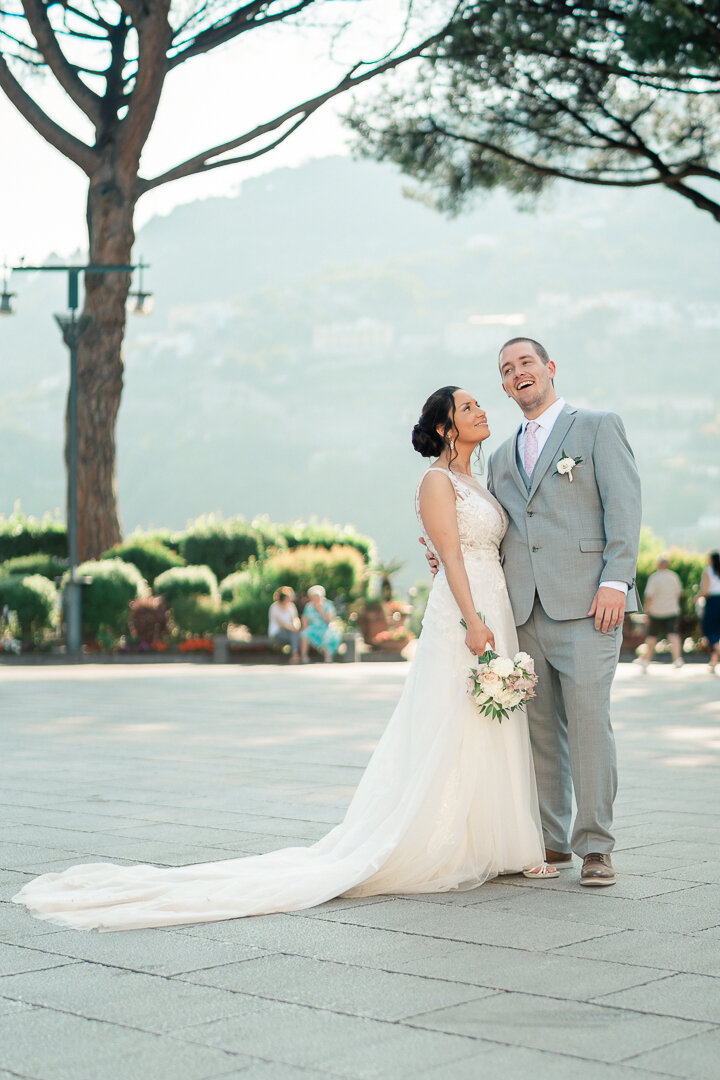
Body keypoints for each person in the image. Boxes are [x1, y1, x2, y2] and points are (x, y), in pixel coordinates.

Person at [12, 386, 554, 933]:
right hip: (465, 611)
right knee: (453, 718)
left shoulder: (476, 480)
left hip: (493, 600)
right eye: (468, 408)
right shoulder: (436, 481)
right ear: (444, 427)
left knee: (491, 716)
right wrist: (473, 620)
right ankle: (452, 843)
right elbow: (451, 554)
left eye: (479, 404)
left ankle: (502, 841)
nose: (481, 411)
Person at [486, 339, 642, 887]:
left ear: (549, 369)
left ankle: (596, 846)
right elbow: (498, 527)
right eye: (507, 370)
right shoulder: (500, 456)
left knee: (590, 725)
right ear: (505, 386)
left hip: (589, 606)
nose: (518, 373)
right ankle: (552, 840)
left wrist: (616, 581)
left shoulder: (597, 426)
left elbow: (624, 505)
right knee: (540, 733)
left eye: (526, 363)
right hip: (523, 609)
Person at [640, 555, 684, 669]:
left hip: (656, 611)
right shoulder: (674, 577)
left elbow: (649, 597)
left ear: (658, 565)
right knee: (673, 635)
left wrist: (647, 612)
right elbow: (679, 594)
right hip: (672, 611)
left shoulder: (654, 578)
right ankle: (677, 660)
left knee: (651, 637)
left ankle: (646, 660)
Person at [301, 585, 341, 663]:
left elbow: (329, 621)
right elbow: (305, 619)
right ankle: (304, 657)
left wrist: (321, 610)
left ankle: (328, 657)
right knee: (304, 634)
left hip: (325, 627)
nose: (315, 599)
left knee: (327, 635)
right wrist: (305, 628)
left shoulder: (328, 605)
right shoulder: (309, 606)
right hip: (313, 628)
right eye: (313, 597)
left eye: (317, 597)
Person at [268, 586, 302, 663]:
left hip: (290, 631)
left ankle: (295, 655)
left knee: (295, 634)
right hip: (277, 632)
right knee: (294, 635)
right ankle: (295, 655)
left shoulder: (291, 606)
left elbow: (295, 619)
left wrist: (296, 626)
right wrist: (293, 629)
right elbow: (281, 624)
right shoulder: (274, 607)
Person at [699, 551, 720, 674]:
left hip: (713, 602)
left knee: (708, 630)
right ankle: (713, 662)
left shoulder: (708, 571)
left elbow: (705, 590)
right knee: (717, 631)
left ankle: (717, 651)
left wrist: (697, 597)